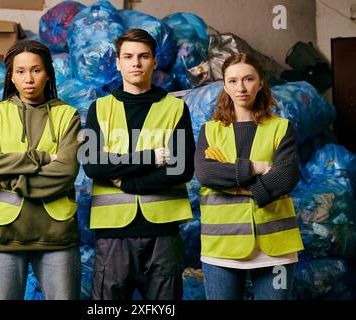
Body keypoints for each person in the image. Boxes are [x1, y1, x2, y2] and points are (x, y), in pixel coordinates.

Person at [81, 29, 195, 300]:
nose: (136, 63)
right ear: (117, 62)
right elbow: (93, 165)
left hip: (163, 231)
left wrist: (128, 181)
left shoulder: (175, 108)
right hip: (113, 233)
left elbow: (181, 169)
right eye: (128, 56)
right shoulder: (99, 108)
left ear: (155, 61)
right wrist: (152, 158)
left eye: (143, 56)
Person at [0, 40, 81, 300]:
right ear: (11, 76)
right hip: (3, 237)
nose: (28, 79)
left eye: (36, 70)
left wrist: (10, 181)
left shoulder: (67, 116)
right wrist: (40, 158)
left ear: (48, 73)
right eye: (20, 72)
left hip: (56, 236)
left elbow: (65, 171)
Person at [194, 52, 304, 300]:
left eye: (248, 79)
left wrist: (237, 187)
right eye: (232, 81)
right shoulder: (210, 130)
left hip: (277, 248)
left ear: (260, 82)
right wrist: (257, 168)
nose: (241, 88)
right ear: (224, 86)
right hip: (221, 248)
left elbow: (287, 176)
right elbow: (206, 173)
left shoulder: (280, 127)